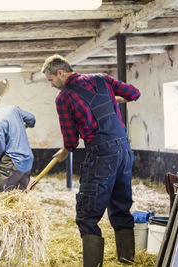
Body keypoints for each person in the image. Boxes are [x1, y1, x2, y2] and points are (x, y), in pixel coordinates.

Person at [41, 55, 140, 266]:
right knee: (121, 208)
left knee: (87, 216)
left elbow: (71, 140)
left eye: (51, 80)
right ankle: (127, 261)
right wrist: (114, 99)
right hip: (124, 151)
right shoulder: (102, 79)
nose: (51, 85)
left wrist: (65, 151)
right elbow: (134, 93)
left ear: (61, 73)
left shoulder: (64, 98)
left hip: (102, 155)